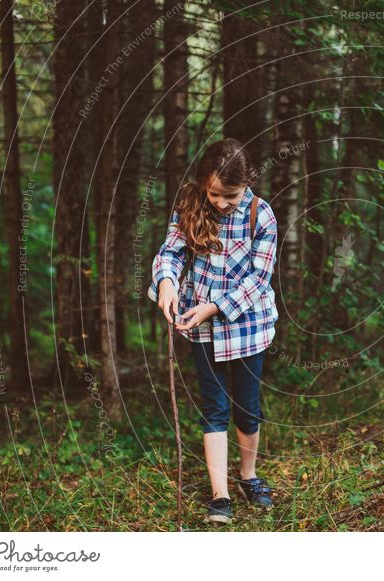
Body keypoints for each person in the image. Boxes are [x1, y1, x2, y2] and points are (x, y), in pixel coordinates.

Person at [148, 138, 278, 524]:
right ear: (205, 183)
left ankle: (248, 475)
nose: (221, 202)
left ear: (246, 184)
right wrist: (167, 281)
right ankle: (220, 494)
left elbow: (259, 278)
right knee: (214, 409)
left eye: (230, 195)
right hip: (201, 331)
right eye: (215, 194)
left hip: (249, 328)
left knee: (247, 409)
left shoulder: (261, 215)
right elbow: (170, 252)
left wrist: (216, 307)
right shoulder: (189, 205)